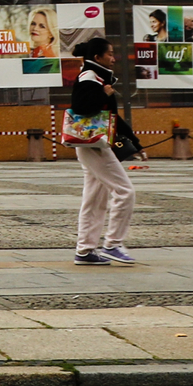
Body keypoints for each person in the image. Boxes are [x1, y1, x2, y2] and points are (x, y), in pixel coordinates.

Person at [62, 37, 137, 267]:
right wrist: (103, 94)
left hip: (93, 144)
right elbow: (81, 107)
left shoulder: (98, 77)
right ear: (98, 57)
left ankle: (84, 251)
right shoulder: (90, 78)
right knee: (125, 191)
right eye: (110, 54)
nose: (113, 58)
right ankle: (113, 244)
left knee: (94, 199)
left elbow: (111, 118)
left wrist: (135, 142)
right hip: (93, 144)